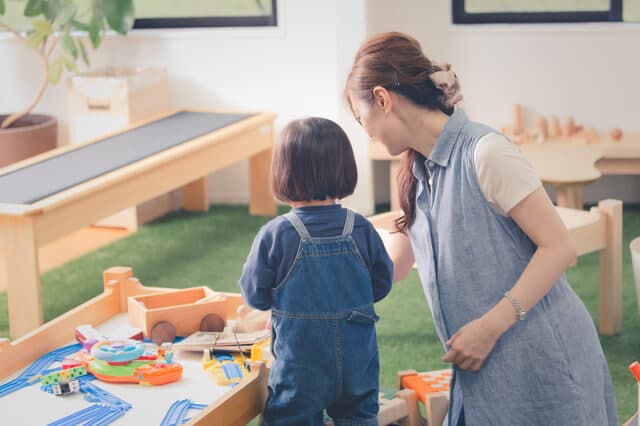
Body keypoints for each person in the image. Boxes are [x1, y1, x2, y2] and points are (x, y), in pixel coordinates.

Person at [344, 31, 617, 425]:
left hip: (545, 364)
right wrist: (307, 295)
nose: (365, 130)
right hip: (483, 374)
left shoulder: (486, 153)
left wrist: (489, 327)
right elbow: (392, 266)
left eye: (361, 118)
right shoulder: (416, 173)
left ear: (383, 100)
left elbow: (559, 248)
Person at [239, 117, 393, 426]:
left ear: (283, 172)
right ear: (344, 168)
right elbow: (381, 284)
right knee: (359, 417)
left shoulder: (276, 233)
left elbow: (254, 295)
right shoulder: (360, 227)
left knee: (290, 418)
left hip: (300, 368)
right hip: (357, 364)